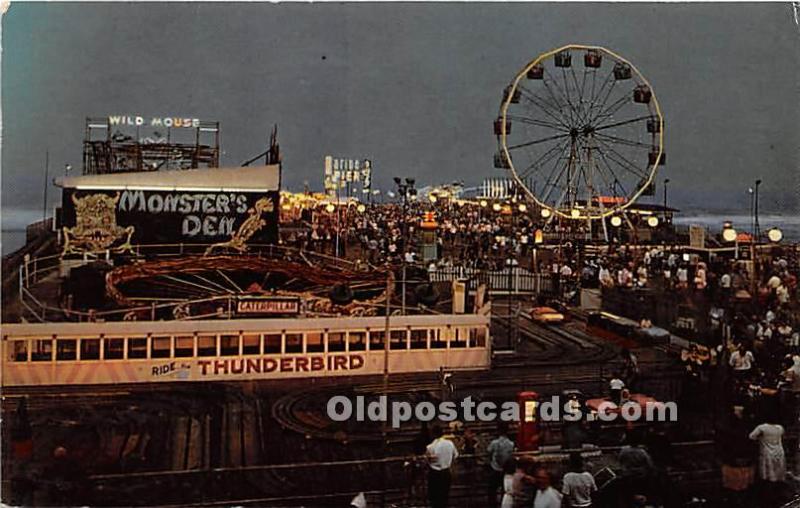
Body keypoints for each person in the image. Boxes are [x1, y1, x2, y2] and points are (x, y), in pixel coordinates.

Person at [426, 424, 458, 508]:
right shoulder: (450, 443)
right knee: (444, 496)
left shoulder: (431, 447)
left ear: (433, 434)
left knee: (435, 498)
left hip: (435, 473)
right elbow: (455, 455)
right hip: (446, 472)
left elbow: (428, 460)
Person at [486, 422, 515, 507]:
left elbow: (489, 452)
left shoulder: (494, 443)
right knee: (504, 490)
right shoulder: (511, 444)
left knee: (492, 491)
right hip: (505, 470)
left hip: (495, 468)